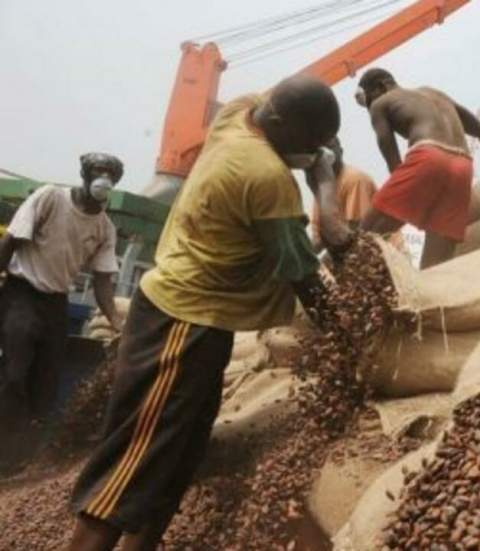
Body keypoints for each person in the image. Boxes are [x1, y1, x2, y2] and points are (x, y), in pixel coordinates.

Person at [65, 75, 348, 551]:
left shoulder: (237, 115)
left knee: (174, 461)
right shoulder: (266, 178)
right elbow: (303, 270)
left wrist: (313, 141)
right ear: (280, 124)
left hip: (200, 322)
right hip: (182, 325)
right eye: (306, 142)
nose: (308, 152)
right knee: (133, 463)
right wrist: (324, 184)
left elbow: (275, 103)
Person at [0, 153, 124, 468]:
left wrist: (117, 323)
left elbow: (103, 283)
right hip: (22, 293)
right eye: (99, 172)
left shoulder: (105, 228)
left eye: (111, 175)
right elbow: (10, 242)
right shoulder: (50, 197)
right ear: (85, 174)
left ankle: (23, 458)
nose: (104, 179)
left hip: (55, 303)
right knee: (14, 373)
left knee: (46, 383)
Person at [355, 68, 480, 268]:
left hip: (428, 157)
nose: (370, 109)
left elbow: (393, 163)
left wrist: (411, 201)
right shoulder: (435, 94)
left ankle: (347, 295)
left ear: (380, 87)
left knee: (362, 242)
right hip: (463, 167)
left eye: (368, 103)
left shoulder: (381, 104)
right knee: (435, 269)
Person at [309, 137, 378, 251]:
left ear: (340, 151)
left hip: (381, 252)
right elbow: (319, 237)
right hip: (352, 249)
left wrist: (325, 263)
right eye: (321, 149)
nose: (326, 154)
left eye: (329, 147)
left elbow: (356, 233)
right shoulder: (322, 185)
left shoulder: (354, 179)